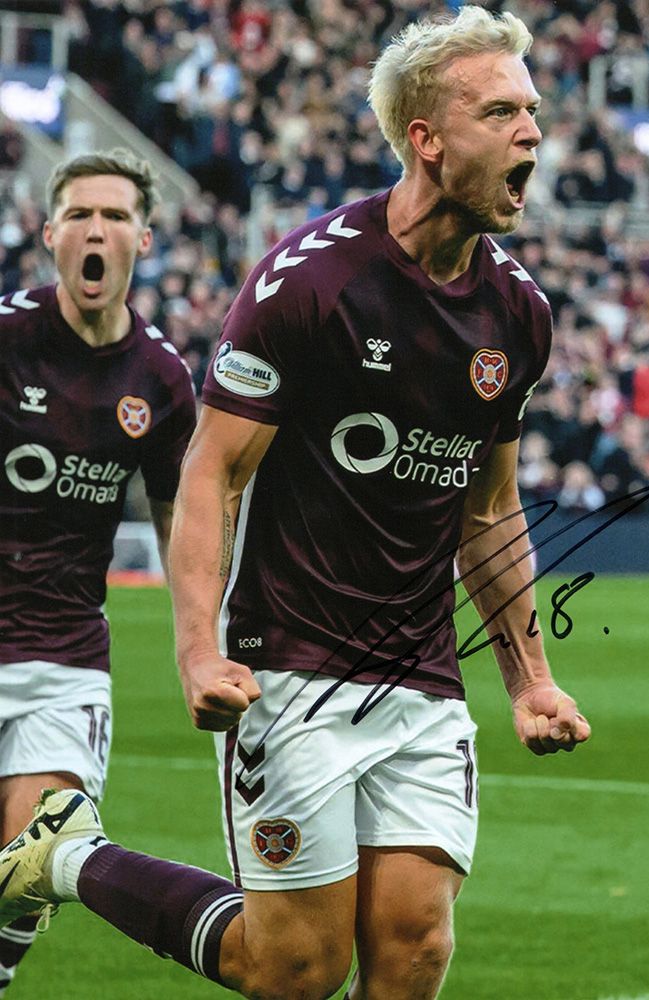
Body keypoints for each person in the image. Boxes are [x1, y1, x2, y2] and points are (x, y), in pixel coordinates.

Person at [0, 10, 590, 999]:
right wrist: (198, 649)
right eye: (502, 111)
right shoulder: (311, 281)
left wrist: (530, 677)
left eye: (532, 110)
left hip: (422, 673)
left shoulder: (517, 313)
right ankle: (64, 857)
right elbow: (212, 473)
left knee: (415, 948)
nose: (533, 131)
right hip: (292, 659)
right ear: (426, 139)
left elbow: (489, 509)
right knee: (294, 966)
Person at [0, 149, 196, 994]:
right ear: (49, 234)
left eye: (115, 217)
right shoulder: (5, 338)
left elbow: (181, 528)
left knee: (27, 874)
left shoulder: (160, 382)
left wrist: (206, 649)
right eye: (80, 213)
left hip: (62, 665)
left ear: (142, 240)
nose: (97, 229)